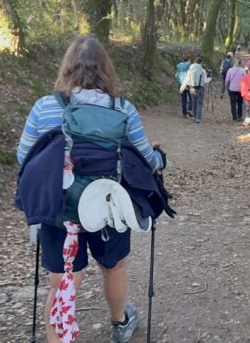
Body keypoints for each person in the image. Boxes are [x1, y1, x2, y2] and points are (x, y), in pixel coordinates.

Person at [17, 36, 165, 343]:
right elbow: (147, 161)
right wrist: (160, 156)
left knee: (61, 282)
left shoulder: (45, 107)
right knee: (114, 266)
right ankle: (119, 322)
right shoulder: (123, 110)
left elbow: (24, 157)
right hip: (108, 208)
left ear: (67, 68)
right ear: (106, 71)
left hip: (58, 210)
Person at [180, 57, 210, 123]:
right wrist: (210, 78)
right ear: (201, 63)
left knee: (194, 102)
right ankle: (198, 118)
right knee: (199, 103)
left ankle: (194, 116)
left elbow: (186, 79)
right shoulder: (203, 70)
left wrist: (182, 88)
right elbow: (205, 81)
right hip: (201, 88)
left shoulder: (191, 69)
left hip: (192, 88)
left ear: (194, 62)